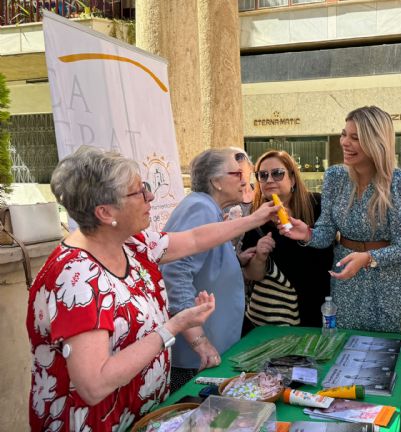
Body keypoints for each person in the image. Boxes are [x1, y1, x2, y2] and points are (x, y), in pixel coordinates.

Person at [26, 146, 277, 431]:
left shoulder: (133, 244)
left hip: (139, 414)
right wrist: (172, 327)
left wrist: (255, 218)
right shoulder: (76, 278)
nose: (150, 196)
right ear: (105, 212)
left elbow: (194, 239)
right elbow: (95, 384)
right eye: (138, 192)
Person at [281, 106, 401, 334]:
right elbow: (326, 231)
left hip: (388, 286)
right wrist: (306, 233)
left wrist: (368, 258)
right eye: (344, 134)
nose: (345, 142)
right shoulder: (335, 177)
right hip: (345, 283)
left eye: (355, 137)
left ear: (377, 141)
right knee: (344, 353)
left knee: (387, 359)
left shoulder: (398, 182)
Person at [160, 148, 274, 392]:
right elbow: (174, 272)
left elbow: (202, 263)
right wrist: (199, 341)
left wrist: (236, 260)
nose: (245, 180)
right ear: (215, 182)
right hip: (196, 359)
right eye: (237, 173)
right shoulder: (200, 208)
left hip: (209, 350)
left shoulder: (207, 208)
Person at [241, 150, 333, 331]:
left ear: (292, 178)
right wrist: (260, 256)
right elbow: (253, 275)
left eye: (277, 173)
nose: (269, 180)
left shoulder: (317, 204)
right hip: (277, 318)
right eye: (262, 175)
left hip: (320, 304)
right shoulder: (257, 218)